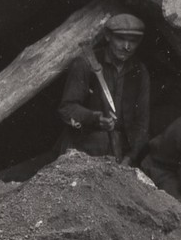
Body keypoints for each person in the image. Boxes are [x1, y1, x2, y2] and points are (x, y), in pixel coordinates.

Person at [57, 14, 151, 164]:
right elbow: (66, 109)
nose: (126, 47)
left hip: (121, 152)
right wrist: (95, 118)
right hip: (82, 148)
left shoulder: (139, 71)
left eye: (133, 41)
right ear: (108, 36)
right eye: (120, 39)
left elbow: (142, 123)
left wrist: (130, 158)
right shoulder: (85, 64)